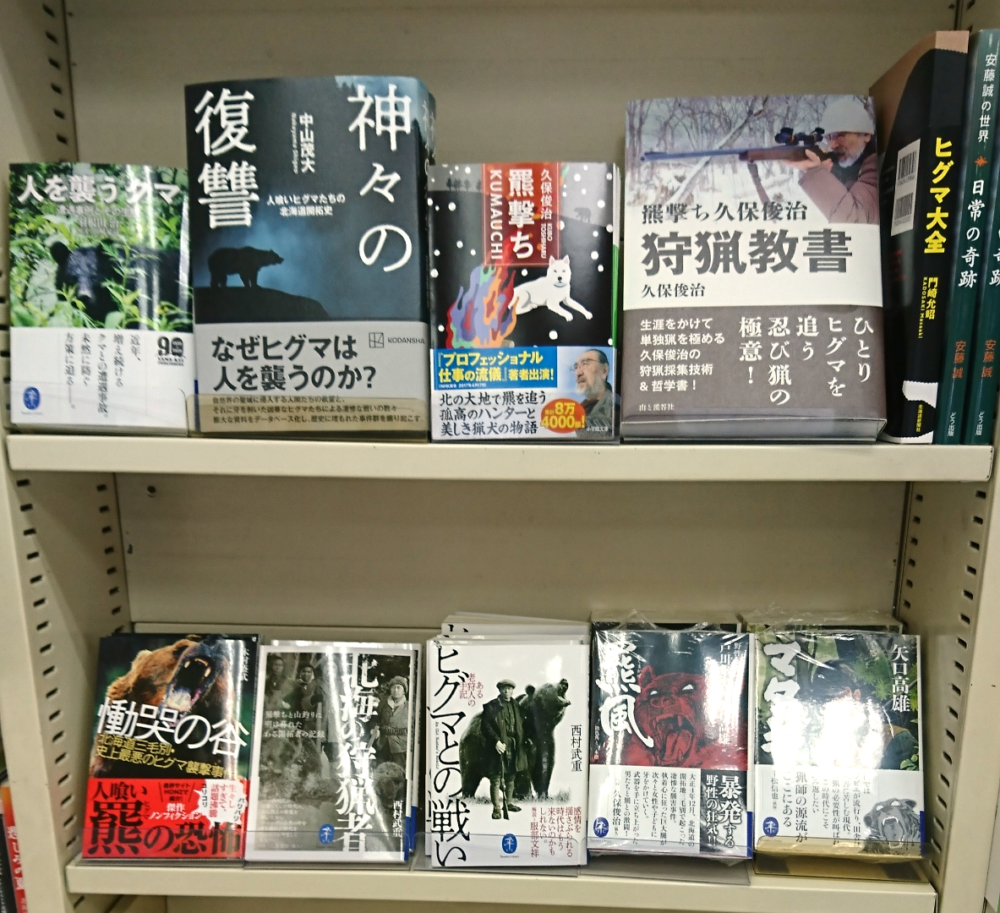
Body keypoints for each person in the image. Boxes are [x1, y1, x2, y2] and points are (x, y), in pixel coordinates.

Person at [785, 97, 878, 224]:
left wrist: (815, 173)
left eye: (840, 135)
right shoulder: (841, 163)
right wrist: (824, 173)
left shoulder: (876, 164)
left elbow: (854, 219)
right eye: (829, 137)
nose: (832, 145)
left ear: (866, 135)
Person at [480, 679, 527, 819]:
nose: (507, 691)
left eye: (509, 688)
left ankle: (509, 803)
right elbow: (485, 726)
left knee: (511, 776)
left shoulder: (516, 706)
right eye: (504, 688)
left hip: (513, 745)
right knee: (496, 778)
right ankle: (496, 809)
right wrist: (495, 741)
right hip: (498, 746)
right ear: (499, 690)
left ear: (512, 690)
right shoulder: (491, 706)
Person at [573, 349, 615, 440]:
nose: (578, 373)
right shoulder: (581, 409)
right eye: (576, 367)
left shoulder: (616, 409)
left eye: (585, 364)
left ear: (604, 370)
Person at [375, 675, 409, 768]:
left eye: (398, 687)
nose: (396, 690)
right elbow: (375, 720)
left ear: (404, 691)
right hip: (383, 745)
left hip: (400, 747)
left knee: (398, 771)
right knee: (381, 770)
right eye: (393, 687)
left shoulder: (410, 707)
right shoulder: (383, 704)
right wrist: (374, 729)